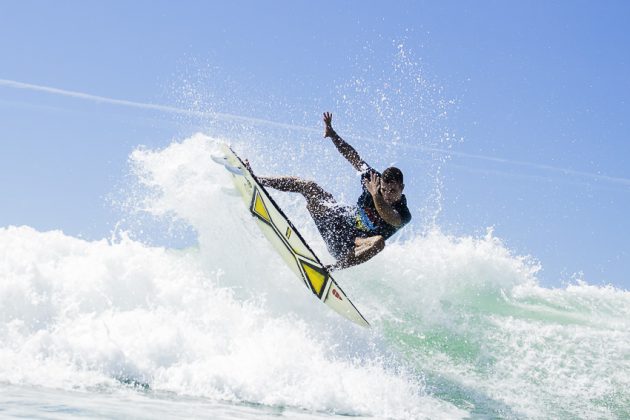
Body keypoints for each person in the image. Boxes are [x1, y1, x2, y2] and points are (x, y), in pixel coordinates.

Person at [256, 112, 411, 271]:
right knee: (309, 186)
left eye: (393, 191)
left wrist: (375, 194)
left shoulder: (403, 213)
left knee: (378, 242)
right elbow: (354, 157)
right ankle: (257, 179)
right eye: (384, 189)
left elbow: (389, 216)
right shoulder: (373, 179)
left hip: (351, 246)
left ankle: (332, 269)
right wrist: (332, 134)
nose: (387, 195)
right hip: (336, 224)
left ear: (402, 188)